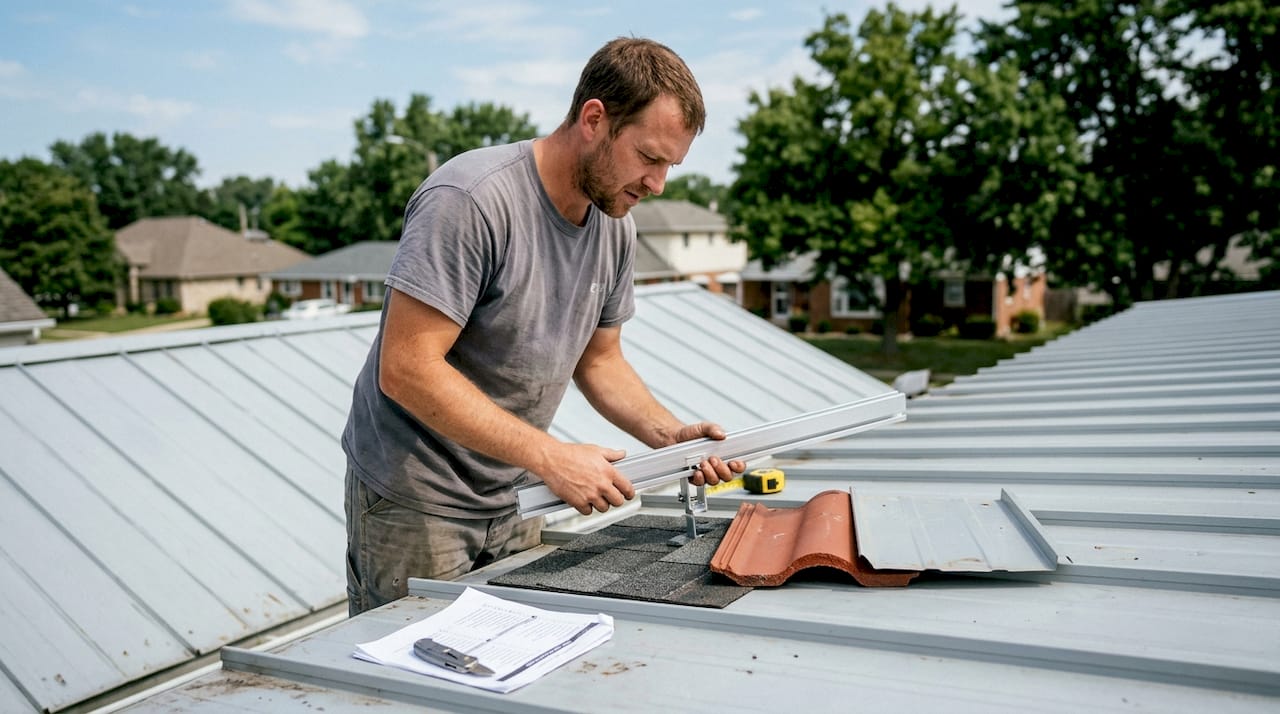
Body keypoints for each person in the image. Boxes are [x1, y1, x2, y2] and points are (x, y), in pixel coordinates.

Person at [341, 37, 746, 616]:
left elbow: (600, 360)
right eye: (649, 158)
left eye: (670, 166)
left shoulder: (614, 225)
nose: (658, 184)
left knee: (510, 666)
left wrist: (668, 436)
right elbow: (406, 368)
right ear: (594, 119)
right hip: (416, 504)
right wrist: (551, 459)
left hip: (514, 496)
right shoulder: (471, 200)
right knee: (416, 683)